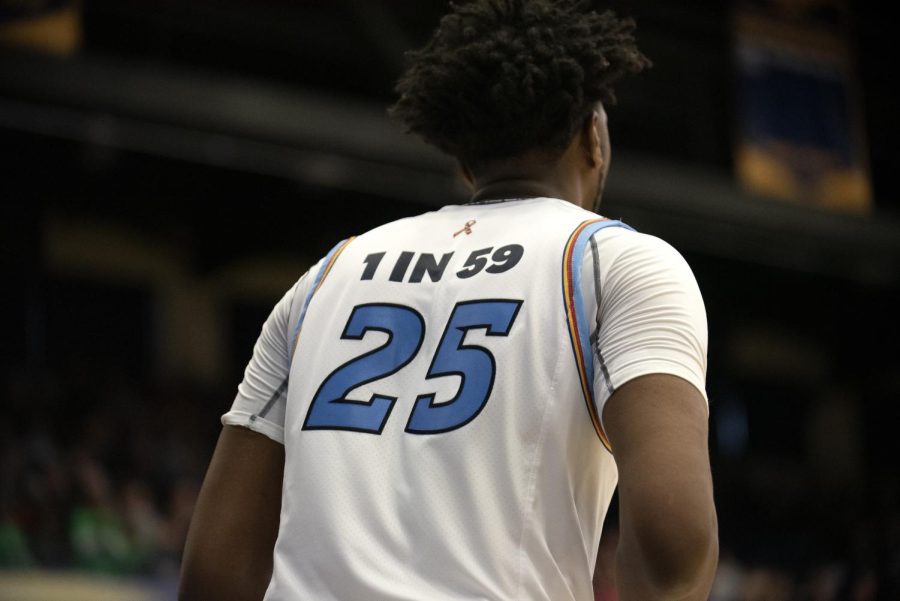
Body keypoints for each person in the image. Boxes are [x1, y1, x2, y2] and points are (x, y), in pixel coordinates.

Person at [179, 1, 718, 600]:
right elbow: (673, 549)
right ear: (593, 135)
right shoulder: (620, 264)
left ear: (463, 163)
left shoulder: (323, 278)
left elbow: (214, 572)